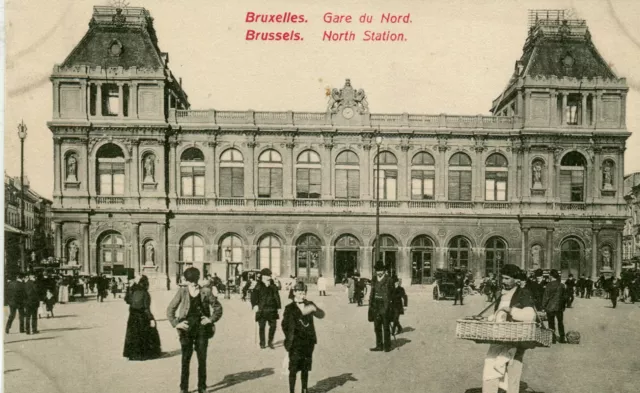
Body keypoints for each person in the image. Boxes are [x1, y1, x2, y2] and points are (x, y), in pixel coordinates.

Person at [167, 267, 223, 393]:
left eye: (195, 280)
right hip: (186, 329)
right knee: (185, 358)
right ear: (186, 280)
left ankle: (202, 387)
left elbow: (218, 308)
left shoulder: (206, 291)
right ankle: (183, 388)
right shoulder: (182, 291)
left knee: (202, 359)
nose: (194, 283)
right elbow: (170, 309)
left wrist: (210, 320)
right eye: (191, 281)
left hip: (202, 329)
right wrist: (177, 324)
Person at [482, 264, 536, 393]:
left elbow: (530, 315)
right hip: (499, 336)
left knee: (513, 369)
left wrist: (511, 310)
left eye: (507, 278)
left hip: (516, 338)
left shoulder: (523, 293)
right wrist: (490, 318)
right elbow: (497, 313)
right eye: (502, 278)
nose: (503, 281)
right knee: (490, 364)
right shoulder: (500, 294)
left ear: (516, 280)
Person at [282, 281, 325, 393]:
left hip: (308, 341)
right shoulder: (289, 308)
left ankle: (304, 389)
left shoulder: (309, 304)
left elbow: (322, 315)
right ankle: (291, 390)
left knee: (305, 368)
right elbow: (284, 325)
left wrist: (315, 309)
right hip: (295, 342)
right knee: (293, 368)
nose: (302, 295)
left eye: (304, 292)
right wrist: (289, 336)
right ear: (294, 292)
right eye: (300, 292)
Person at [123, 275, 162, 361]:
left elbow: (127, 301)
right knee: (143, 335)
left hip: (132, 316)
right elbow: (146, 308)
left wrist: (128, 289)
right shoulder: (145, 293)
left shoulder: (133, 291)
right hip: (142, 317)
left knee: (133, 335)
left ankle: (132, 354)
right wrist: (151, 318)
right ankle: (144, 354)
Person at [251, 268, 282, 349]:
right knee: (262, 327)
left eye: (269, 276)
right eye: (267, 276)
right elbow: (253, 297)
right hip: (262, 309)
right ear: (263, 276)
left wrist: (278, 306)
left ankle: (270, 341)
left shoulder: (273, 286)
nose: (268, 277)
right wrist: (254, 305)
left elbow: (277, 296)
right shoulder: (258, 285)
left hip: (272, 309)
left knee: (273, 326)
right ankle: (262, 343)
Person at [368, 260, 394, 352]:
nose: (379, 272)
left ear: (383, 270)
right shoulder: (374, 279)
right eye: (377, 270)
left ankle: (387, 346)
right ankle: (379, 345)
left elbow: (392, 293)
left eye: (380, 270)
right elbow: (372, 292)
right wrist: (370, 303)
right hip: (376, 305)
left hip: (385, 305)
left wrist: (390, 306)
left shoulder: (389, 279)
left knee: (386, 327)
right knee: (377, 327)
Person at [542, 269, 566, 344]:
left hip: (550, 307)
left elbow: (546, 297)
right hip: (559, 307)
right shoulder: (562, 285)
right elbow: (565, 297)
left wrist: (543, 306)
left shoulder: (549, 285)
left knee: (551, 323)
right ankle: (562, 338)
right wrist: (563, 306)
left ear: (551, 276)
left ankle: (553, 339)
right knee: (560, 322)